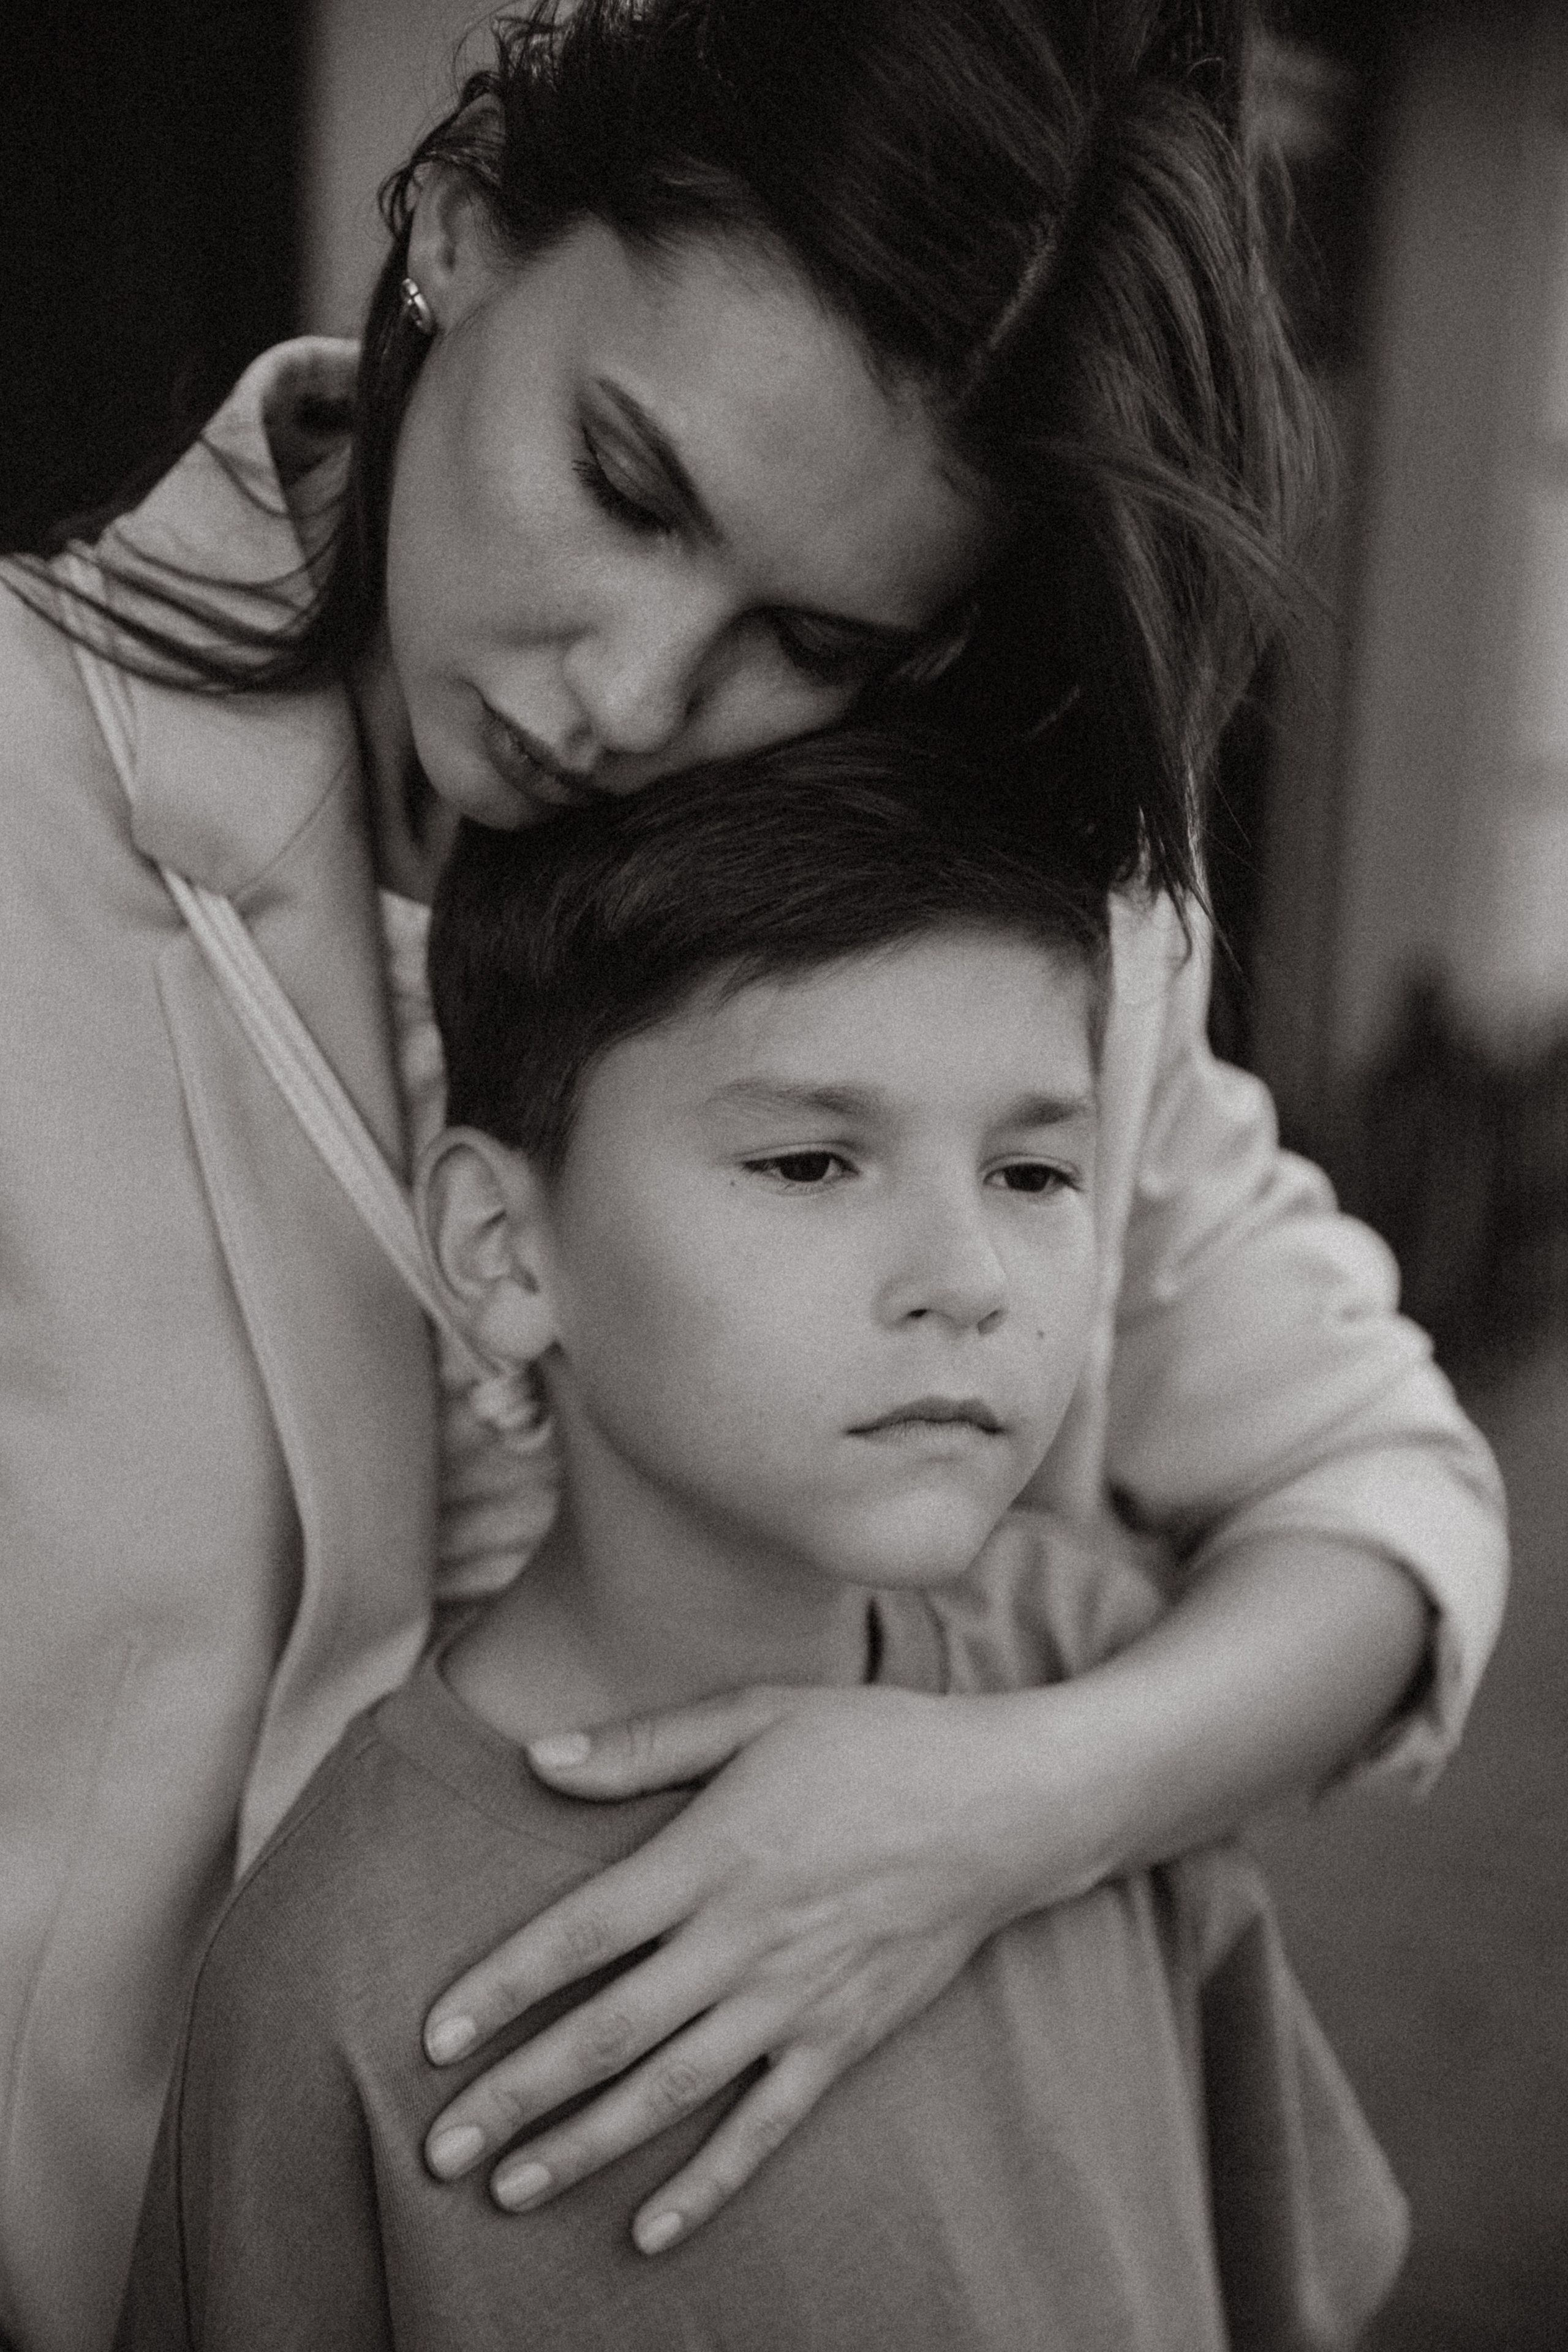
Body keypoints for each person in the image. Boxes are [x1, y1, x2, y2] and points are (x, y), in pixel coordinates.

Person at [0, 3, 1503, 2346]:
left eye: (811, 636)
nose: (630, 693)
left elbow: (1385, 1506)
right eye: (628, 484)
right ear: (467, 228)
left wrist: (996, 1812)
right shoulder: (18, 798)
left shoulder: (983, 926)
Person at [116, 744, 1409, 2352]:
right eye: (810, 1163)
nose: (966, 1275)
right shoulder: (338, 1963)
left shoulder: (1104, 1673)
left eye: (1032, 1171)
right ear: (504, 1246)